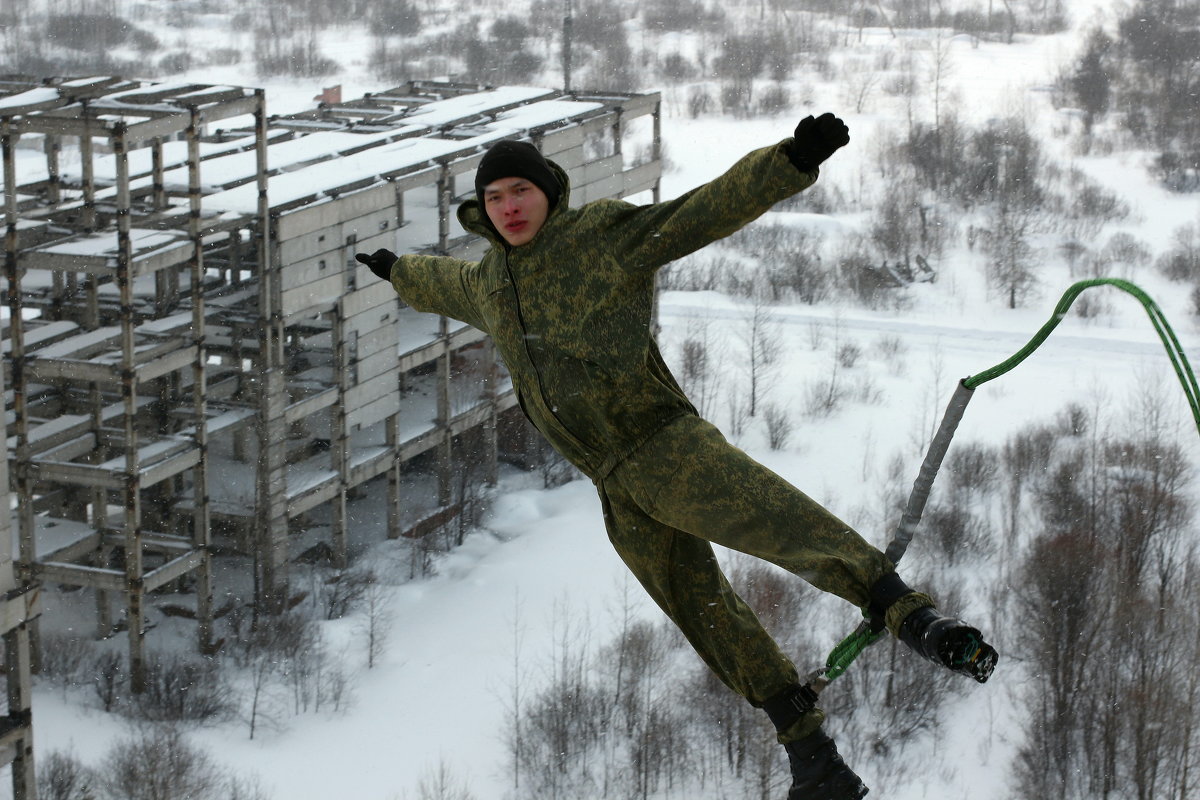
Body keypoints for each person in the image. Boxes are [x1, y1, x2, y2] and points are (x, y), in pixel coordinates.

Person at [357, 115, 998, 799]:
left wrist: (788, 161)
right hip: (613, 486)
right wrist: (396, 270)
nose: (509, 207)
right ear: (481, 211)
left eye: (521, 190)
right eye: (494, 198)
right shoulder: (488, 283)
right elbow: (437, 282)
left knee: (784, 526)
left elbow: (698, 214)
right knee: (705, 614)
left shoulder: (599, 238)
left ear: (549, 192)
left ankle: (918, 621)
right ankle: (813, 758)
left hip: (663, 447)